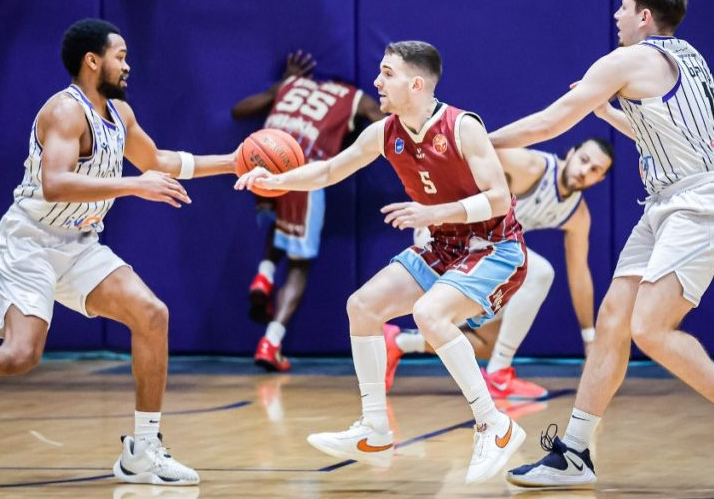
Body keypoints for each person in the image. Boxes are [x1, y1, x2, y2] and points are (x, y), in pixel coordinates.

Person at [0, 19, 237, 487]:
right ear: (92, 61)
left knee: (151, 315)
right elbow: (55, 183)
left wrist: (234, 162)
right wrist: (134, 186)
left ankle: (143, 452)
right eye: (120, 56)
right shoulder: (65, 111)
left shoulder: (120, 114)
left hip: (78, 244)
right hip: (29, 242)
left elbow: (159, 161)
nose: (127, 65)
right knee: (19, 355)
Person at [490, 0, 714, 488]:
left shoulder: (626, 60)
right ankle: (574, 452)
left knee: (649, 327)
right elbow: (660, 137)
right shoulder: (688, 57)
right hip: (669, 203)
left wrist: (477, 142)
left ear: (644, 16)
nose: (617, 16)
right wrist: (606, 112)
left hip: (701, 204)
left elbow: (549, 124)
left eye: (623, 7)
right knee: (613, 320)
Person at [236, 41, 529, 484]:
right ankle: (374, 430)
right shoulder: (384, 132)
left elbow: (499, 199)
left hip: (494, 247)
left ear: (416, 84)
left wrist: (434, 213)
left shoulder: (462, 126)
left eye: (387, 73)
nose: (376, 82)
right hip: (444, 245)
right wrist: (275, 181)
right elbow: (328, 170)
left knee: (429, 314)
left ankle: (495, 425)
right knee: (363, 306)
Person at [385, 138, 614, 400]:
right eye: (584, 160)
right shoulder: (529, 165)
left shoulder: (577, 214)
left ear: (600, 179)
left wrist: (589, 339)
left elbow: (579, 274)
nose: (584, 171)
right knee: (539, 273)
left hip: (483, 251)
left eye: (594, 170)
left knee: (488, 344)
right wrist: (432, 202)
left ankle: (398, 342)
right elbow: (469, 150)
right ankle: (499, 375)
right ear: (571, 152)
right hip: (446, 231)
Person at [231, 50, 384, 372]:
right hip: (304, 170)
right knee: (299, 265)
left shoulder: (292, 84)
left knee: (280, 223)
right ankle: (271, 342)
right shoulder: (354, 97)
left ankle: (264, 275)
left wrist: (281, 85)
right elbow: (385, 122)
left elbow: (239, 110)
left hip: (260, 162)